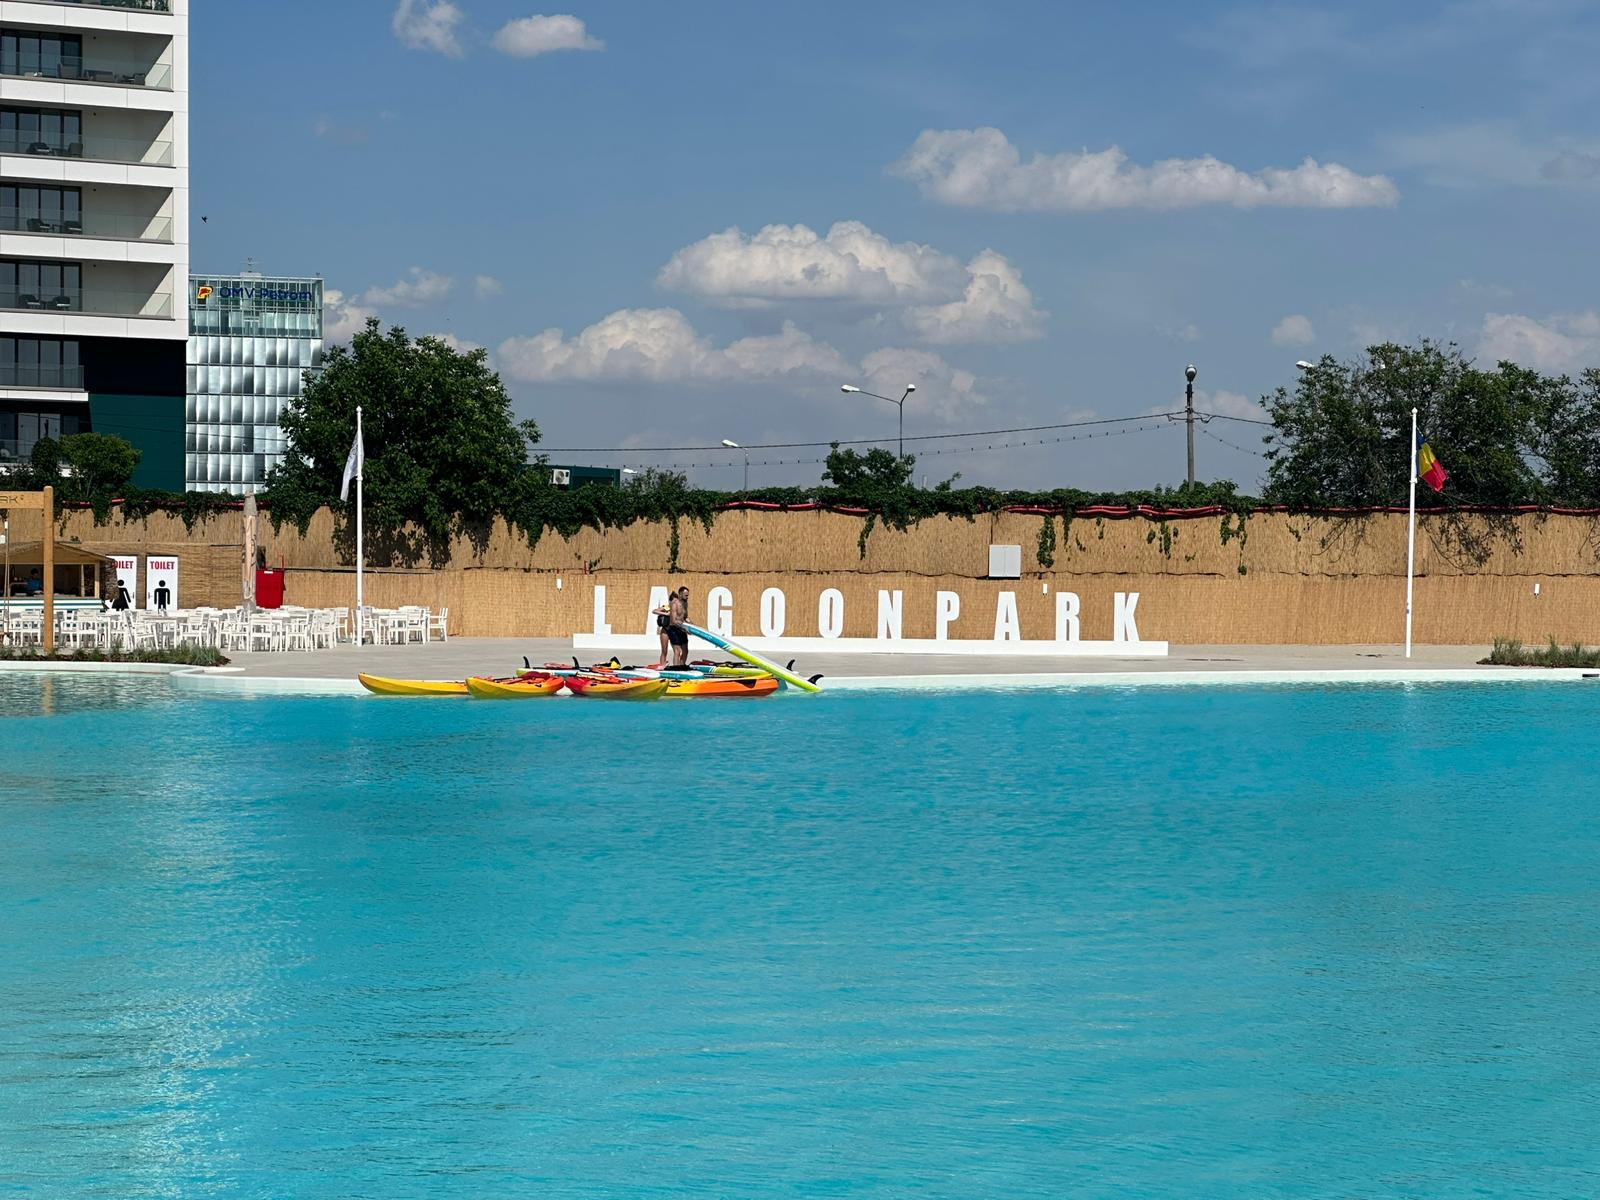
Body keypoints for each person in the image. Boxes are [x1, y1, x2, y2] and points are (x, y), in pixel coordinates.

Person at [667, 585, 690, 667]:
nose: (687, 597)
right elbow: (673, 621)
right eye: (686, 595)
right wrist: (684, 628)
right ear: (680, 594)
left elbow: (686, 617)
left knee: (686, 650)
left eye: (688, 595)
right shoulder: (674, 604)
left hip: (682, 629)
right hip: (674, 630)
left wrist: (692, 627)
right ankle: (676, 668)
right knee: (677, 651)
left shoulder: (685, 603)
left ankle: (682, 666)